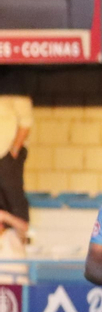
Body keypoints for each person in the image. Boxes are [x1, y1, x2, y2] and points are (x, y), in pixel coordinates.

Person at [0, 84, 33, 252]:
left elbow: (26, 122)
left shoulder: (14, 87)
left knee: (14, 201)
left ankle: (21, 245)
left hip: (7, 155)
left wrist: (13, 151)